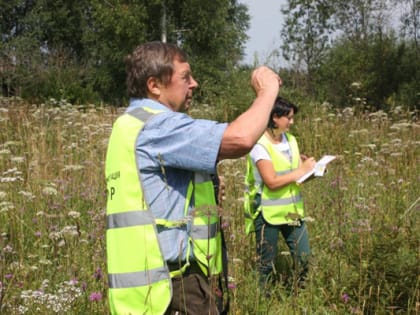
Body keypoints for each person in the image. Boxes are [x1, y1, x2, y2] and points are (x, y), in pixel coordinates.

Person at [105, 41, 281, 315]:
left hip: (148, 284)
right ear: (154, 85)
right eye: (185, 77)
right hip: (175, 285)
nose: (194, 84)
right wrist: (268, 91)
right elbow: (240, 138)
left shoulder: (128, 124)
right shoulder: (157, 126)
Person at [244, 96, 316, 292]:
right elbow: (272, 181)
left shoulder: (291, 140)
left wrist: (312, 171)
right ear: (275, 117)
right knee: (266, 265)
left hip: (292, 212)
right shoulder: (260, 146)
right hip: (268, 215)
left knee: (304, 257)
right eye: (289, 118)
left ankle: (300, 295)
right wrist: (300, 171)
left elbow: (294, 177)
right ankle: (263, 302)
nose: (292, 122)